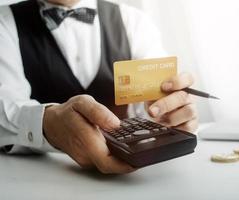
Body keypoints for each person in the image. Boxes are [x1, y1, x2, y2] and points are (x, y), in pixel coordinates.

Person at [0, 0, 198, 174]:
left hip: (138, 177)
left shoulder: (134, 21)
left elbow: (154, 107)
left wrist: (169, 114)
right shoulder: (4, 21)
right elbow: (5, 102)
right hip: (40, 177)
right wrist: (47, 123)